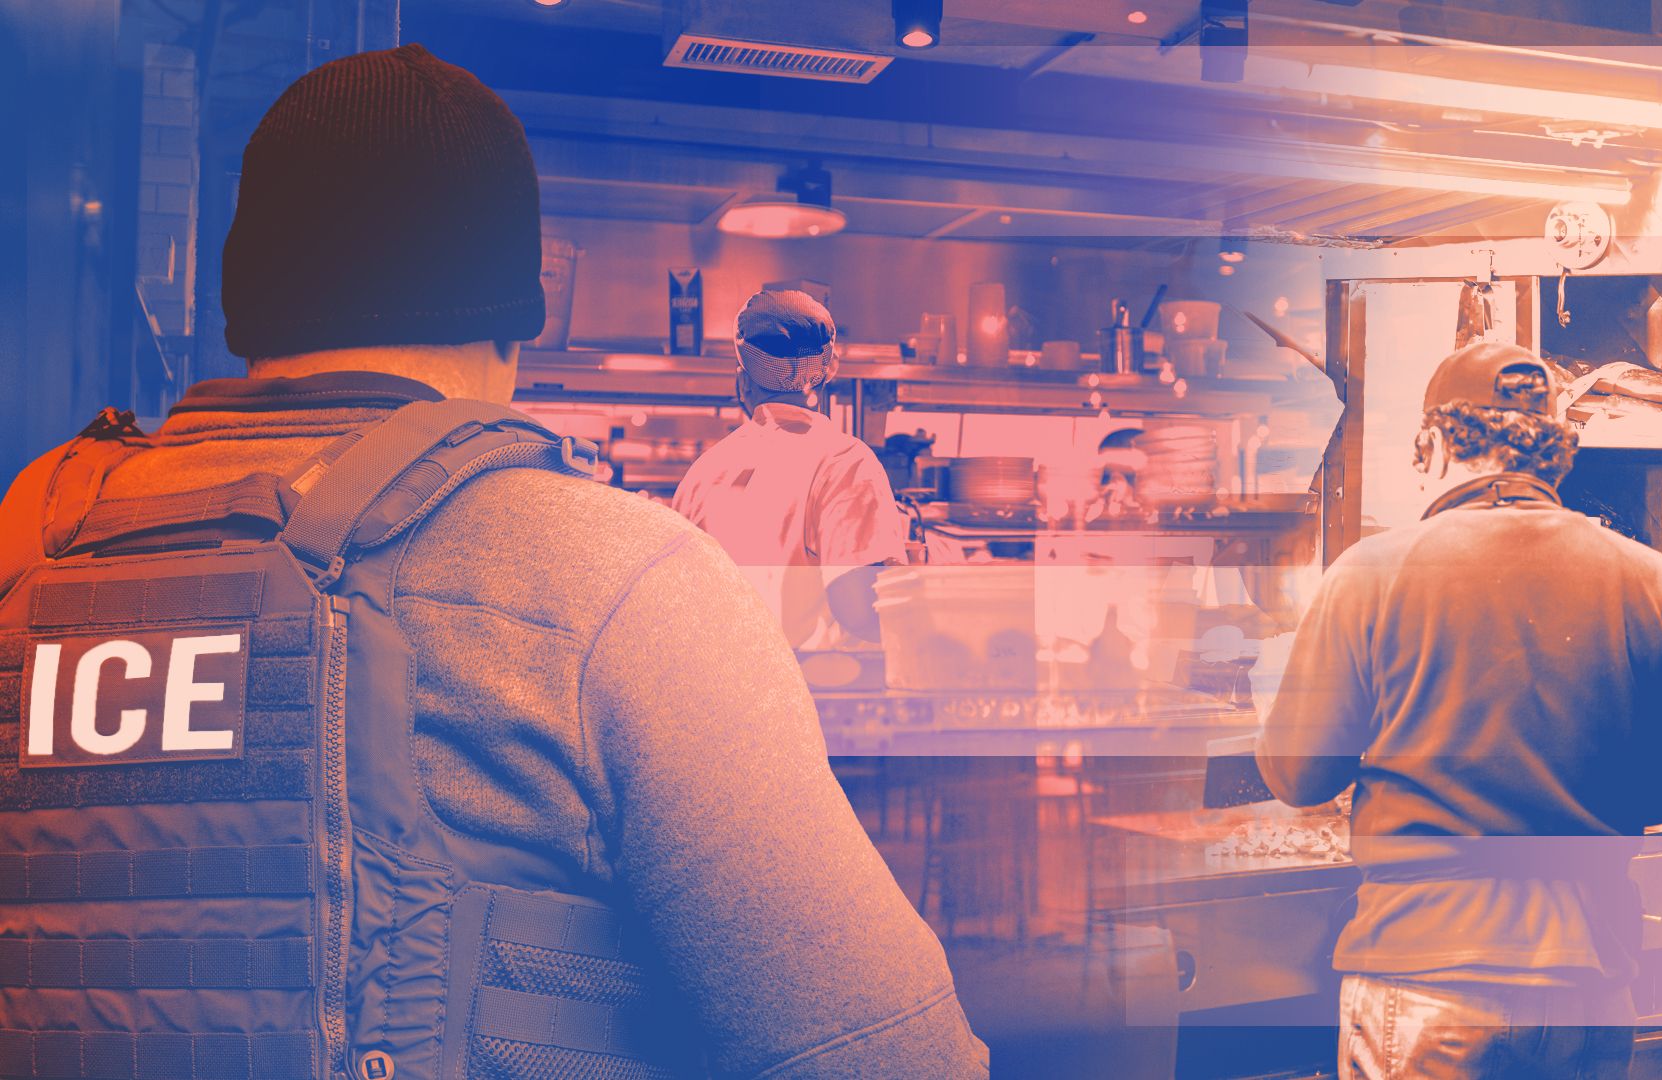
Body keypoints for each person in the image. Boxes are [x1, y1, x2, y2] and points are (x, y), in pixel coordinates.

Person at [0, 44, 985, 1080]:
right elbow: (891, 1057)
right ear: (520, 320)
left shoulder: (38, 541)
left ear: (245, 307)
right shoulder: (614, 578)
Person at [1255, 342, 1662, 1080]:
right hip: (1588, 981)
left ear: (1434, 444)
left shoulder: (1369, 575)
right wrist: (1577, 792)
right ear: (1557, 455)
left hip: (1423, 975)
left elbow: (1298, 773)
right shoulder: (1653, 582)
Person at [672, 291, 907, 649]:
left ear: (743, 381)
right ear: (827, 373)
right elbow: (862, 613)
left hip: (718, 691)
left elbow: (676, 606)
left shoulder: (701, 476)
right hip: (812, 693)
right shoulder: (845, 462)